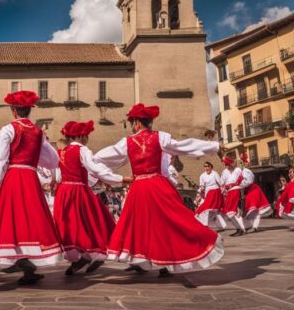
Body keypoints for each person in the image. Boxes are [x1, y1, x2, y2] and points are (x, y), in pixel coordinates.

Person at [94, 103, 223, 277]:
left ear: (138, 123)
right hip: (157, 185)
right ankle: (164, 259)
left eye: (133, 122)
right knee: (171, 221)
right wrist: (213, 146)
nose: (133, 126)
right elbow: (183, 147)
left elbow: (101, 157)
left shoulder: (127, 142)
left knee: (140, 225)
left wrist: (105, 172)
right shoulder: (160, 137)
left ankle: (147, 259)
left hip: (139, 188)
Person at [0, 91, 61, 285]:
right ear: (28, 111)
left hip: (14, 177)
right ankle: (27, 264)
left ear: (14, 111)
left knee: (11, 218)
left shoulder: (8, 130)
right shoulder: (39, 132)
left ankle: (17, 260)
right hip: (30, 177)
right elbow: (53, 160)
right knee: (31, 218)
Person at [54, 120, 127, 276]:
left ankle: (81, 257)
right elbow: (96, 169)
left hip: (63, 192)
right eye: (86, 136)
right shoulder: (83, 150)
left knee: (70, 224)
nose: (87, 138)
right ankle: (93, 253)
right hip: (78, 191)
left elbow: (58, 175)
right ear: (81, 136)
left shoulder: (61, 152)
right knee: (92, 222)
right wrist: (121, 179)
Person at [194, 161, 226, 230]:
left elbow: (220, 183)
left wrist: (223, 191)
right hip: (208, 193)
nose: (206, 168)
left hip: (215, 193)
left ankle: (205, 225)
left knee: (208, 209)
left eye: (208, 166)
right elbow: (202, 185)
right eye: (205, 166)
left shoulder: (215, 173)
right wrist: (199, 192)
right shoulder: (202, 175)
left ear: (211, 167)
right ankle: (222, 225)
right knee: (212, 210)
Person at [239, 165, 271, 233]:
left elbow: (248, 181)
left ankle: (252, 226)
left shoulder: (245, 171)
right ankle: (253, 226)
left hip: (253, 191)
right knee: (254, 211)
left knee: (253, 210)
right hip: (250, 191)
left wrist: (239, 185)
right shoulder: (241, 172)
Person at [220, 157, 245, 236]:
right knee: (230, 212)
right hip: (229, 192)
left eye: (227, 163)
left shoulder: (238, 170)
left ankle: (241, 229)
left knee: (235, 211)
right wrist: (223, 190)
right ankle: (240, 229)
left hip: (237, 190)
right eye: (225, 164)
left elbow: (243, 180)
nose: (226, 166)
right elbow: (222, 182)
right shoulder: (224, 172)